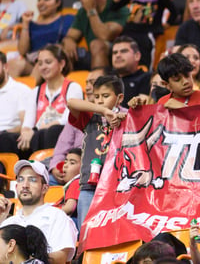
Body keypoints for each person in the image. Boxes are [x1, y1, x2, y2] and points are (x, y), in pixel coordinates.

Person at [67, 75, 126, 229]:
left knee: (113, 229)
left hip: (118, 185)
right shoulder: (89, 117)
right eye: (96, 96)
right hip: (89, 185)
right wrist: (103, 109)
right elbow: (71, 102)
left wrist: (123, 119)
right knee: (86, 230)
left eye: (105, 96)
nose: (99, 100)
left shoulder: (126, 118)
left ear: (119, 98)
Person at [0, 160, 78, 264]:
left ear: (44, 188)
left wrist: (26, 258)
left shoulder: (57, 216)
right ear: (16, 187)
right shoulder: (9, 222)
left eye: (32, 180)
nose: (25, 185)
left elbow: (61, 258)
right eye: (21, 179)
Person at [17, 44, 84, 154]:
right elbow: (28, 123)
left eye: (48, 62)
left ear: (62, 64)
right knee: (8, 139)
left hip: (63, 136)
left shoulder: (73, 87)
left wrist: (38, 130)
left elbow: (68, 119)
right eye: (40, 63)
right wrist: (25, 131)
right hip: (38, 136)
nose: (43, 67)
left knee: (52, 131)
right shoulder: (35, 92)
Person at [48, 67, 110, 185]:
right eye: (86, 83)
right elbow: (61, 148)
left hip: (99, 171)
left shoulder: (120, 115)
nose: (87, 87)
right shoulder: (78, 115)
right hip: (71, 168)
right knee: (41, 180)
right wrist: (55, 167)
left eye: (92, 82)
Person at [9, 0, 73, 78]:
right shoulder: (31, 24)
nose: (41, 3)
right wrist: (25, 24)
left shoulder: (67, 19)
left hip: (53, 63)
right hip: (33, 61)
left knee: (42, 62)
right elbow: (22, 51)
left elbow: (73, 37)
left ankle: (30, 90)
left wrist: (69, 40)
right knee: (13, 63)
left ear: (58, 2)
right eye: (39, 0)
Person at [62, 0, 129, 70]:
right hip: (90, 55)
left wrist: (91, 10)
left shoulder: (118, 8)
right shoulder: (83, 11)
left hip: (116, 56)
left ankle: (100, 81)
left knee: (97, 45)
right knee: (56, 50)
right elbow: (72, 36)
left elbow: (104, 35)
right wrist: (69, 41)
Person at [112, 0, 178, 68]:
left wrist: (167, 24)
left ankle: (148, 74)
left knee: (146, 59)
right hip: (130, 32)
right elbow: (114, 7)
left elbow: (174, 11)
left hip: (149, 33)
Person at [0, 50, 31, 156]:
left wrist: (8, 130)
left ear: (6, 67)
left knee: (4, 138)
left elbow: (26, 124)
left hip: (10, 138)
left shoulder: (21, 90)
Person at [112, 36, 151, 108]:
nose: (118, 55)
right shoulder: (108, 80)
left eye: (123, 51)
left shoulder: (147, 78)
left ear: (137, 56)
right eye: (114, 53)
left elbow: (142, 109)